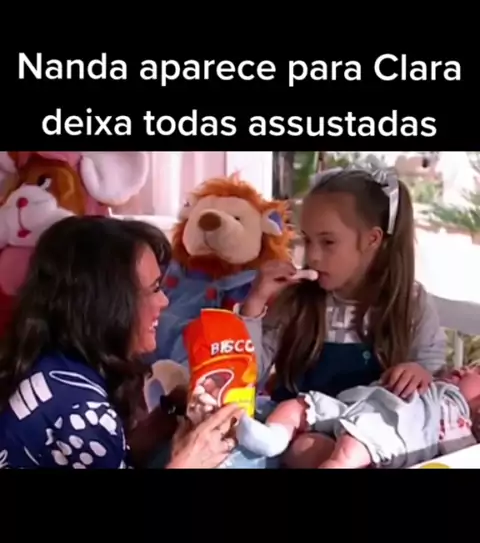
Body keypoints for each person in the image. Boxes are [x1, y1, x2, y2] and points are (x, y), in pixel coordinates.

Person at [231, 163, 446, 466]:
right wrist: (256, 301)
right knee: (301, 449)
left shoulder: (409, 303)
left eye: (328, 242)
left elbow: (434, 380)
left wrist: (419, 372)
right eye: (307, 240)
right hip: (289, 430)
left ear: (372, 240)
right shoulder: (297, 300)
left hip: (365, 438)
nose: (313, 255)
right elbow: (247, 373)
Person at [0, 216, 242, 469]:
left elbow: (104, 457)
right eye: (154, 288)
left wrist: (168, 414)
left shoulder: (54, 364)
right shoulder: (81, 408)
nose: (164, 301)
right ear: (108, 304)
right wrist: (189, 463)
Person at [234, 365, 480, 469]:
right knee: (301, 405)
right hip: (354, 406)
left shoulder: (458, 422)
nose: (467, 368)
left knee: (336, 451)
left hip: (379, 435)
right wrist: (411, 369)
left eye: (478, 372)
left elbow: (460, 458)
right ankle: (273, 437)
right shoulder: (433, 381)